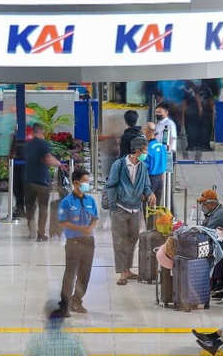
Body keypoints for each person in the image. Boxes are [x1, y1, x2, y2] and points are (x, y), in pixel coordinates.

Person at [105, 136, 156, 285]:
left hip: (135, 209)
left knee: (132, 240)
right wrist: (113, 205)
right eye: (145, 150)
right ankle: (122, 273)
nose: (147, 153)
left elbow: (146, 186)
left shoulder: (143, 167)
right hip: (120, 208)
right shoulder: (119, 165)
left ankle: (127, 269)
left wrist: (150, 193)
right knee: (119, 241)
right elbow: (111, 185)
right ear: (137, 151)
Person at [58, 168, 99, 315]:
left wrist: (90, 228)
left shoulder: (90, 201)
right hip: (73, 242)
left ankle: (77, 301)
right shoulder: (66, 202)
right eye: (85, 181)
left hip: (89, 242)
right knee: (70, 273)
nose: (87, 184)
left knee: (85, 274)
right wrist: (80, 228)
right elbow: (62, 222)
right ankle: (65, 304)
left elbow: (95, 219)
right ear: (76, 183)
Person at [24, 122, 62, 242]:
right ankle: (41, 234)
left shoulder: (28, 145)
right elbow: (48, 159)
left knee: (30, 207)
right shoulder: (43, 144)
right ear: (41, 132)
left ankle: (31, 230)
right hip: (42, 181)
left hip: (29, 179)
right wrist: (58, 163)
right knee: (43, 208)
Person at [143, 121, 167, 206]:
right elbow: (164, 163)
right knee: (157, 206)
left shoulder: (148, 148)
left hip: (150, 179)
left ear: (147, 131)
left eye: (143, 130)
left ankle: (149, 220)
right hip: (160, 179)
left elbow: (145, 164)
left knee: (148, 207)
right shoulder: (161, 146)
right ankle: (157, 220)